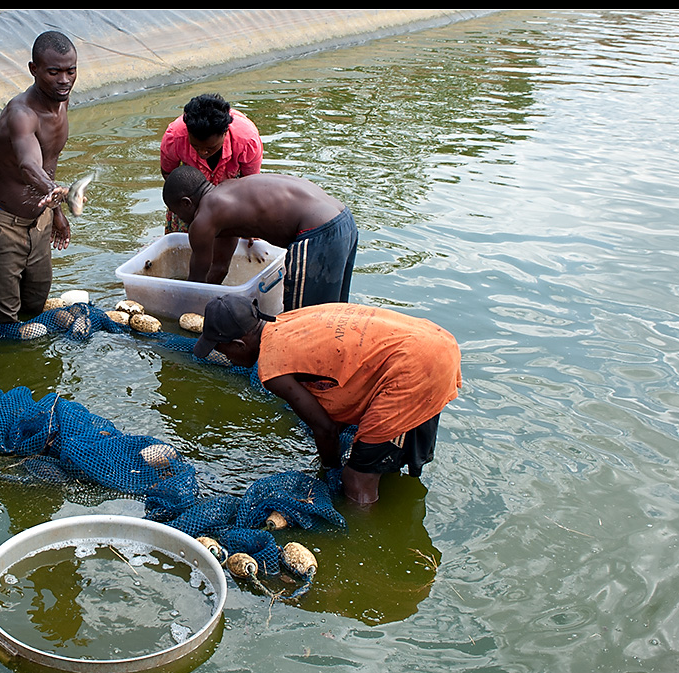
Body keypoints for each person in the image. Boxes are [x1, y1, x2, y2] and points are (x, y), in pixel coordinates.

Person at [192, 295, 462, 505]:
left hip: (415, 368)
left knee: (355, 480)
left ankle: (360, 549)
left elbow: (325, 428)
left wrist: (330, 471)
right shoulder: (286, 321)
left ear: (239, 344)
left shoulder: (272, 368)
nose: (225, 357)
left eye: (221, 348)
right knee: (378, 456)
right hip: (432, 341)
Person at [0, 31, 77, 325]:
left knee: (34, 304)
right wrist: (60, 193)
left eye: (71, 71)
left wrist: (55, 213)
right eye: (54, 72)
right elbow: (30, 166)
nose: (64, 80)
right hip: (3, 225)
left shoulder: (62, 102)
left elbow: (49, 164)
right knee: (1, 321)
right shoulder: (21, 114)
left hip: (40, 222)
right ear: (34, 70)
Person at [163, 167, 358, 311]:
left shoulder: (203, 220)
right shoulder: (225, 196)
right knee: (334, 313)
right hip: (344, 219)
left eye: (176, 213)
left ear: (186, 203)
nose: (179, 219)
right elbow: (219, 268)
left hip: (318, 231)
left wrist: (172, 310)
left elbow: (195, 284)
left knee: (302, 320)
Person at [160, 93, 263, 234]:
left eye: (210, 148)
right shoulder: (174, 137)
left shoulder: (247, 141)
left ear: (225, 133)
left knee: (235, 234)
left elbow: (251, 184)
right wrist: (193, 206)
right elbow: (168, 173)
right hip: (191, 194)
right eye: (196, 146)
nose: (202, 153)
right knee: (185, 239)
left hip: (234, 192)